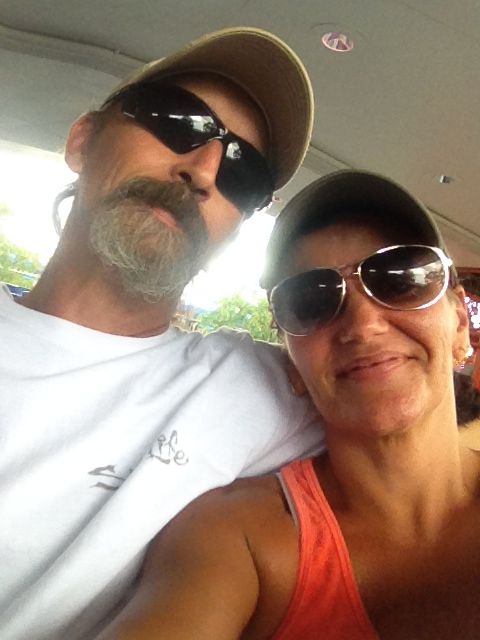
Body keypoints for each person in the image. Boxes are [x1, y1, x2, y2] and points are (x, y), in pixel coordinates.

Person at [0, 28, 325, 640]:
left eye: (243, 172)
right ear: (83, 140)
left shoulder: (259, 388)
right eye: (179, 121)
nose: (203, 171)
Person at [99, 170, 480, 640]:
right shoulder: (239, 540)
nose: (363, 326)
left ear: (459, 322)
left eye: (400, 279)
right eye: (310, 299)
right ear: (292, 362)